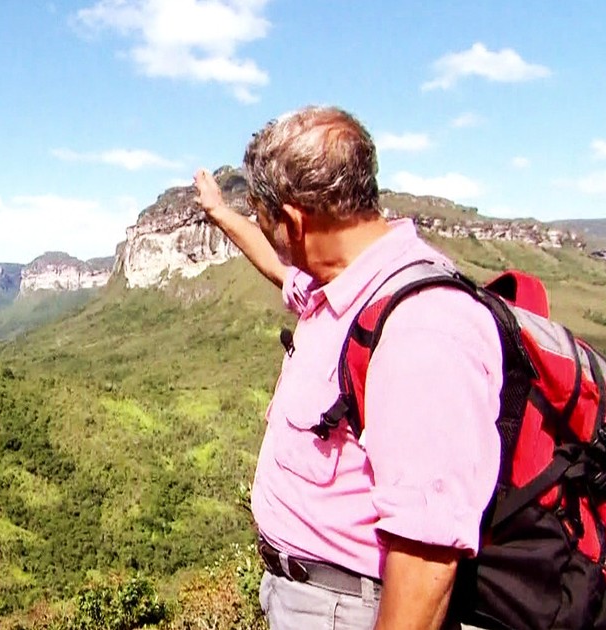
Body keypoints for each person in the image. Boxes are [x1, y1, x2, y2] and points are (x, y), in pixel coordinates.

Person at [193, 106, 501, 630]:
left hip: (347, 611)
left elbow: (427, 556)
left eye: (268, 222)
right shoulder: (336, 288)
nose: (270, 238)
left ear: (293, 221)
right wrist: (222, 215)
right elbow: (277, 269)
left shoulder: (421, 328)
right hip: (303, 596)